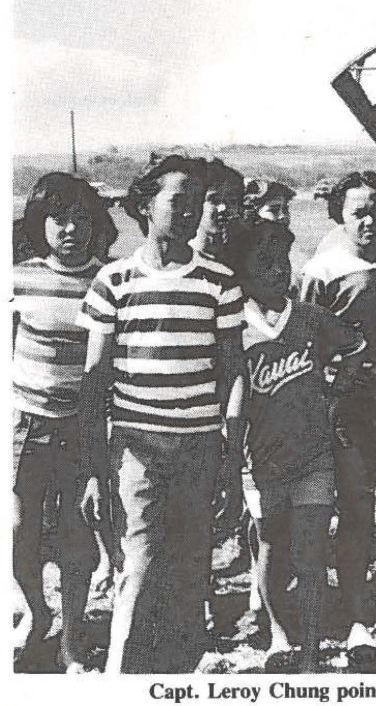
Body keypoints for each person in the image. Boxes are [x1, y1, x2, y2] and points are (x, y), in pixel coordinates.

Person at [77, 155, 248, 673]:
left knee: (192, 570)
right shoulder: (114, 281)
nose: (190, 210)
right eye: (178, 200)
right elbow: (95, 383)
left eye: (197, 202)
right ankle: (122, 674)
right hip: (138, 450)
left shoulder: (220, 282)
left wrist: (231, 456)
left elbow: (233, 374)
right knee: (142, 563)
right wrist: (93, 467)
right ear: (145, 206)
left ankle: (178, 676)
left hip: (200, 448)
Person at [223, 213, 365, 672]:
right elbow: (230, 397)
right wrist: (231, 463)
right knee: (270, 548)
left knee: (311, 551)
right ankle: (278, 634)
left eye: (283, 261)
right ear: (242, 272)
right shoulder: (232, 328)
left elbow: (355, 350)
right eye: (264, 264)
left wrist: (336, 386)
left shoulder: (310, 318)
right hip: (258, 465)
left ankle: (310, 646)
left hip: (313, 457)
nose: (278, 272)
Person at [299, 171, 376, 650]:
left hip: (375, 407)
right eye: (358, 212)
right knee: (314, 506)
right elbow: (300, 343)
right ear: (340, 216)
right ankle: (308, 605)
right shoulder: (322, 271)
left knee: (359, 505)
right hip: (328, 406)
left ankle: (354, 604)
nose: (370, 221)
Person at [12, 173, 108, 672]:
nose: (71, 229)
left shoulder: (110, 279)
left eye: (81, 219)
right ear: (40, 224)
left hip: (84, 428)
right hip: (26, 424)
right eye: (59, 219)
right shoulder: (18, 276)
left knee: (77, 534)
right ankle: (37, 611)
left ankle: (72, 632)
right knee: (20, 533)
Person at [189, 157, 244, 261]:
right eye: (214, 200)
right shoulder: (182, 261)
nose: (223, 208)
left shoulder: (241, 259)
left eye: (232, 201)